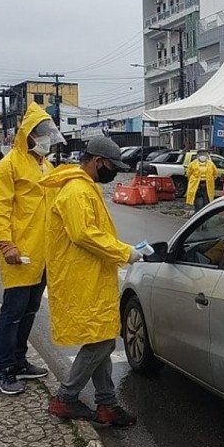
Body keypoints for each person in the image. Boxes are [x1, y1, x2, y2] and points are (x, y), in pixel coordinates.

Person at [39, 136, 143, 427]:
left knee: (102, 339)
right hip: (81, 277)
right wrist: (126, 252)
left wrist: (124, 249)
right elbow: (84, 234)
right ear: (98, 161)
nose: (114, 172)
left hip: (90, 274)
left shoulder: (85, 188)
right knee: (99, 343)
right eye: (112, 166)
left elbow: (94, 232)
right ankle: (66, 398)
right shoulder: (76, 191)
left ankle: (106, 404)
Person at [0, 102, 65, 395]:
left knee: (31, 310)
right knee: (13, 312)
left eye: (49, 132)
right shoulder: (6, 167)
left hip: (44, 253)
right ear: (28, 135)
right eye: (41, 133)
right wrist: (6, 244)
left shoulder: (46, 166)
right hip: (19, 252)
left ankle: (19, 361)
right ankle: (3, 370)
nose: (46, 138)